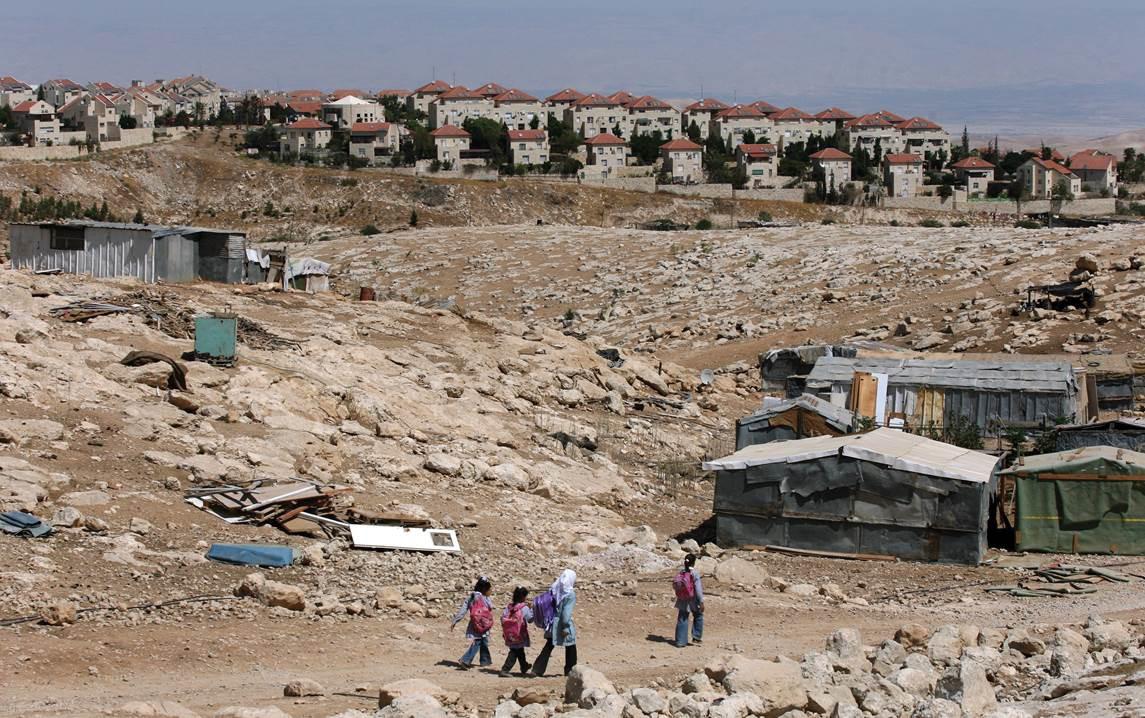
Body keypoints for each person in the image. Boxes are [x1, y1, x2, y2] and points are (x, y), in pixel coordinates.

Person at [531, 569, 578, 677]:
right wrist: (566, 626)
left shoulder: (554, 589)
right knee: (571, 646)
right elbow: (566, 614)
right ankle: (570, 671)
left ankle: (537, 669)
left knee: (549, 645)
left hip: (552, 622)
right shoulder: (570, 594)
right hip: (562, 624)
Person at [451, 576, 494, 669]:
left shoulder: (471, 596)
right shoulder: (485, 598)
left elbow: (463, 610)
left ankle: (485, 660)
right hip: (484, 623)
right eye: (489, 589)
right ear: (484, 589)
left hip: (474, 624)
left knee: (483, 641)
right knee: (478, 642)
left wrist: (455, 620)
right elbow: (490, 606)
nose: (491, 591)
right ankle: (465, 660)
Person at [499, 586, 534, 677]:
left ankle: (524, 666)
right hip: (519, 633)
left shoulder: (509, 607)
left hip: (510, 633)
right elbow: (530, 619)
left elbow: (503, 617)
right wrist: (531, 609)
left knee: (519, 649)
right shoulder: (524, 608)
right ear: (523, 597)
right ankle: (505, 669)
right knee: (514, 651)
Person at [673, 553, 704, 647]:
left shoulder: (681, 572)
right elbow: (698, 589)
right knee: (698, 615)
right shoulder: (695, 573)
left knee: (682, 618)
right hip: (693, 599)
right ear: (694, 563)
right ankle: (696, 637)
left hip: (682, 599)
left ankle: (680, 641)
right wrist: (701, 601)